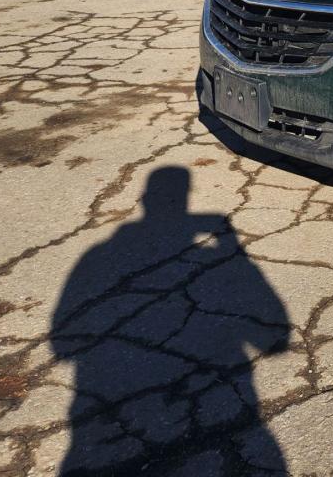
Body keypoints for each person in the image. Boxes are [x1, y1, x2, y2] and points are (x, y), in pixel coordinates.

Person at [51, 166, 288, 474]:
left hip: (97, 429)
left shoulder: (98, 253)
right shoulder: (103, 253)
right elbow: (275, 339)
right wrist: (232, 246)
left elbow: (63, 347)